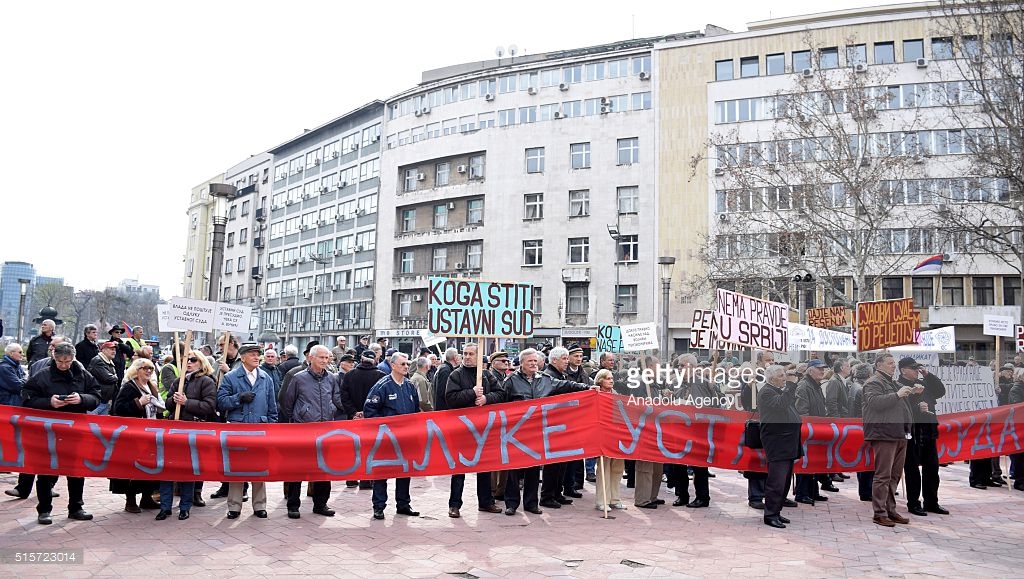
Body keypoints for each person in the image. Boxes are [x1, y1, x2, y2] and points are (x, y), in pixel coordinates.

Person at [503, 348, 592, 516]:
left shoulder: (545, 379)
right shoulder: (511, 381)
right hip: (517, 433)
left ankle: (531, 503)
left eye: (535, 361)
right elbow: (501, 402)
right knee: (514, 469)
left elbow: (567, 385)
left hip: (538, 432)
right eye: (530, 361)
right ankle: (512, 503)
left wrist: (588, 388)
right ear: (521, 363)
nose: (533, 364)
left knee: (534, 469)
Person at [21, 342, 101, 524]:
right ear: (53, 358)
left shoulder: (83, 374)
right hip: (48, 433)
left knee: (76, 470)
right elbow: (26, 399)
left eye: (67, 361)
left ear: (73, 358)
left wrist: (82, 399)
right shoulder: (42, 376)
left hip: (75, 432)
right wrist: (49, 402)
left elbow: (96, 396)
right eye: (60, 361)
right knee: (46, 471)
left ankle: (76, 507)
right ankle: (44, 509)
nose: (64, 365)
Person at [443, 343, 505, 518]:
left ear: (479, 357)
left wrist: (486, 398)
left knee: (484, 466)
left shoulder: (486, 375)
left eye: (471, 354)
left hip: (483, 429)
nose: (467, 356)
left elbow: (501, 394)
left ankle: (485, 501)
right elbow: (451, 399)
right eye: (465, 353)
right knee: (459, 468)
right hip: (462, 430)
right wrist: (471, 393)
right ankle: (454, 504)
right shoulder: (455, 375)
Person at [217, 343, 278, 519]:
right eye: (252, 354)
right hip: (238, 429)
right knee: (237, 468)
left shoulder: (266, 378)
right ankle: (234, 506)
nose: (257, 357)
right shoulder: (231, 377)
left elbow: (272, 407)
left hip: (260, 429)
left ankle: (260, 505)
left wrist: (271, 428)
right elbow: (221, 403)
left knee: (259, 467)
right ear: (242, 357)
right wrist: (238, 398)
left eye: (258, 354)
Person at [279, 345, 338, 518]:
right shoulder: (298, 378)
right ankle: (293, 505)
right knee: (297, 468)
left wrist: (332, 410)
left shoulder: (331, 379)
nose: (325, 361)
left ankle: (321, 504)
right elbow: (286, 403)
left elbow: (335, 398)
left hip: (325, 431)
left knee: (323, 469)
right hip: (303, 431)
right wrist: (300, 417)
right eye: (321, 357)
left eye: (327, 358)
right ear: (311, 358)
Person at [158, 351, 218, 520]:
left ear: (201, 362)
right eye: (186, 360)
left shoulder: (207, 381)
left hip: (193, 432)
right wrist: (173, 401)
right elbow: (167, 404)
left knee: (188, 470)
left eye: (193, 360)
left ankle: (185, 506)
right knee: (167, 469)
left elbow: (209, 406)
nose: (189, 363)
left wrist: (186, 403)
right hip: (174, 430)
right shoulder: (178, 381)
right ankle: (165, 507)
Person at [364, 352, 422, 521]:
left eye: (407, 364)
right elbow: (369, 411)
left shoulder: (410, 386)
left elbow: (415, 411)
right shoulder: (382, 386)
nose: (406, 367)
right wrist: (388, 427)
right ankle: (379, 506)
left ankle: (403, 504)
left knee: (405, 471)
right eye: (402, 364)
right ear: (393, 365)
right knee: (382, 471)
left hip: (406, 440)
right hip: (386, 440)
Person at [862, 353, 914, 527]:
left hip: (898, 433)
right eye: (890, 363)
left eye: (894, 363)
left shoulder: (891, 382)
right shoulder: (873, 382)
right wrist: (897, 395)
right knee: (883, 475)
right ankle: (879, 512)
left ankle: (890, 509)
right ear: (879, 365)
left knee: (895, 475)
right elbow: (875, 403)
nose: (894, 366)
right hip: (884, 433)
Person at [111, 358, 164, 514]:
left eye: (151, 369)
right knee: (133, 469)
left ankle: (147, 497)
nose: (148, 371)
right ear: (136, 370)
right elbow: (118, 409)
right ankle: (130, 500)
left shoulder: (152, 387)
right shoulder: (129, 387)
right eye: (144, 368)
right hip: (133, 436)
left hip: (151, 434)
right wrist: (138, 403)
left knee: (149, 467)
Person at [898, 360, 949, 516]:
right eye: (913, 368)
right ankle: (913, 503)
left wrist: (927, 375)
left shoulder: (922, 382)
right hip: (912, 432)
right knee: (912, 470)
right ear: (903, 370)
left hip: (928, 430)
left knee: (932, 468)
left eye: (917, 368)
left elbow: (940, 391)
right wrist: (916, 408)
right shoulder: (899, 386)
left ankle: (931, 502)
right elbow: (900, 410)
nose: (916, 371)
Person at [758, 364, 803, 529]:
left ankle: (776, 511)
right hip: (778, 442)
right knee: (776, 481)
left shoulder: (778, 391)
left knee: (784, 481)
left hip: (788, 441)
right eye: (781, 375)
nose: (784, 377)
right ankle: (770, 514)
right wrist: (791, 385)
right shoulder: (767, 392)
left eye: (785, 374)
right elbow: (781, 404)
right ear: (771, 378)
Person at [336, 349, 385, 489]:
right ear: (374, 360)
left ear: (361, 359)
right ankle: (366, 479)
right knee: (370, 448)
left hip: (353, 418)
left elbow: (343, 396)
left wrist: (353, 413)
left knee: (353, 447)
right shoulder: (381, 376)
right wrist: (368, 413)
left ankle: (351, 477)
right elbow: (382, 398)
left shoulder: (350, 375)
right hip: (372, 419)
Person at [794, 359, 834, 505]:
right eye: (819, 369)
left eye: (823, 368)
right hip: (809, 430)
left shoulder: (816, 385)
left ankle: (812, 491)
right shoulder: (804, 386)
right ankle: (802, 492)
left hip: (817, 429)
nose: (822, 371)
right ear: (810, 370)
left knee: (814, 463)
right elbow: (802, 410)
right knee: (805, 463)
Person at [592, 369, 627, 511]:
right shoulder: (595, 395)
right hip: (602, 436)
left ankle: (615, 498)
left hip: (616, 435)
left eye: (612, 378)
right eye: (607, 378)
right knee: (604, 468)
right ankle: (602, 500)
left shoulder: (616, 395)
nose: (611, 380)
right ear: (600, 380)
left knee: (618, 468)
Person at [86, 341, 120, 415]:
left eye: (115, 349)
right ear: (103, 350)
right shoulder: (98, 361)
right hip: (96, 402)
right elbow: (108, 378)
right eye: (111, 349)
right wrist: (116, 377)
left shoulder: (109, 362)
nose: (114, 351)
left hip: (105, 401)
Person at [432, 347, 460, 412]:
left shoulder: (445, 368)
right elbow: (444, 392)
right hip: (444, 409)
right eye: (458, 355)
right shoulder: (445, 370)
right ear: (455, 357)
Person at [0, 342, 25, 407]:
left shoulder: (17, 366)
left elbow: (27, 379)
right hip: (7, 405)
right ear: (11, 353)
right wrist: (25, 381)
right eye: (20, 352)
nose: (23, 354)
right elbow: (19, 386)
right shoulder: (4, 368)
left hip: (15, 403)